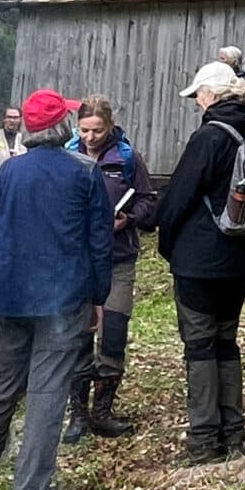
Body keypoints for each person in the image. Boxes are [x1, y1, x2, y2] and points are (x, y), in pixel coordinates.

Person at [0, 88, 111, 490]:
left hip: (4, 299)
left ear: (27, 128)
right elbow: (99, 244)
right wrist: (97, 298)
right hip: (61, 303)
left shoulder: (4, 173)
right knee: (45, 401)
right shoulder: (85, 173)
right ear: (63, 128)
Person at [157, 61, 245, 464]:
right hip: (240, 256)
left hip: (200, 259)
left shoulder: (209, 137)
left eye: (198, 95)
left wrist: (168, 245)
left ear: (211, 95)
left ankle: (203, 440)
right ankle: (232, 431)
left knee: (199, 344)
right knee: (226, 341)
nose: (196, 102)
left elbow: (177, 198)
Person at [62, 95, 158, 443]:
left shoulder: (127, 157)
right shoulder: (67, 154)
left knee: (113, 331)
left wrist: (128, 218)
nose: (90, 137)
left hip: (118, 257)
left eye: (97, 130)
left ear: (109, 125)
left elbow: (149, 202)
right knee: (79, 335)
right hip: (78, 260)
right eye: (84, 130)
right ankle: (79, 415)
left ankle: (103, 410)